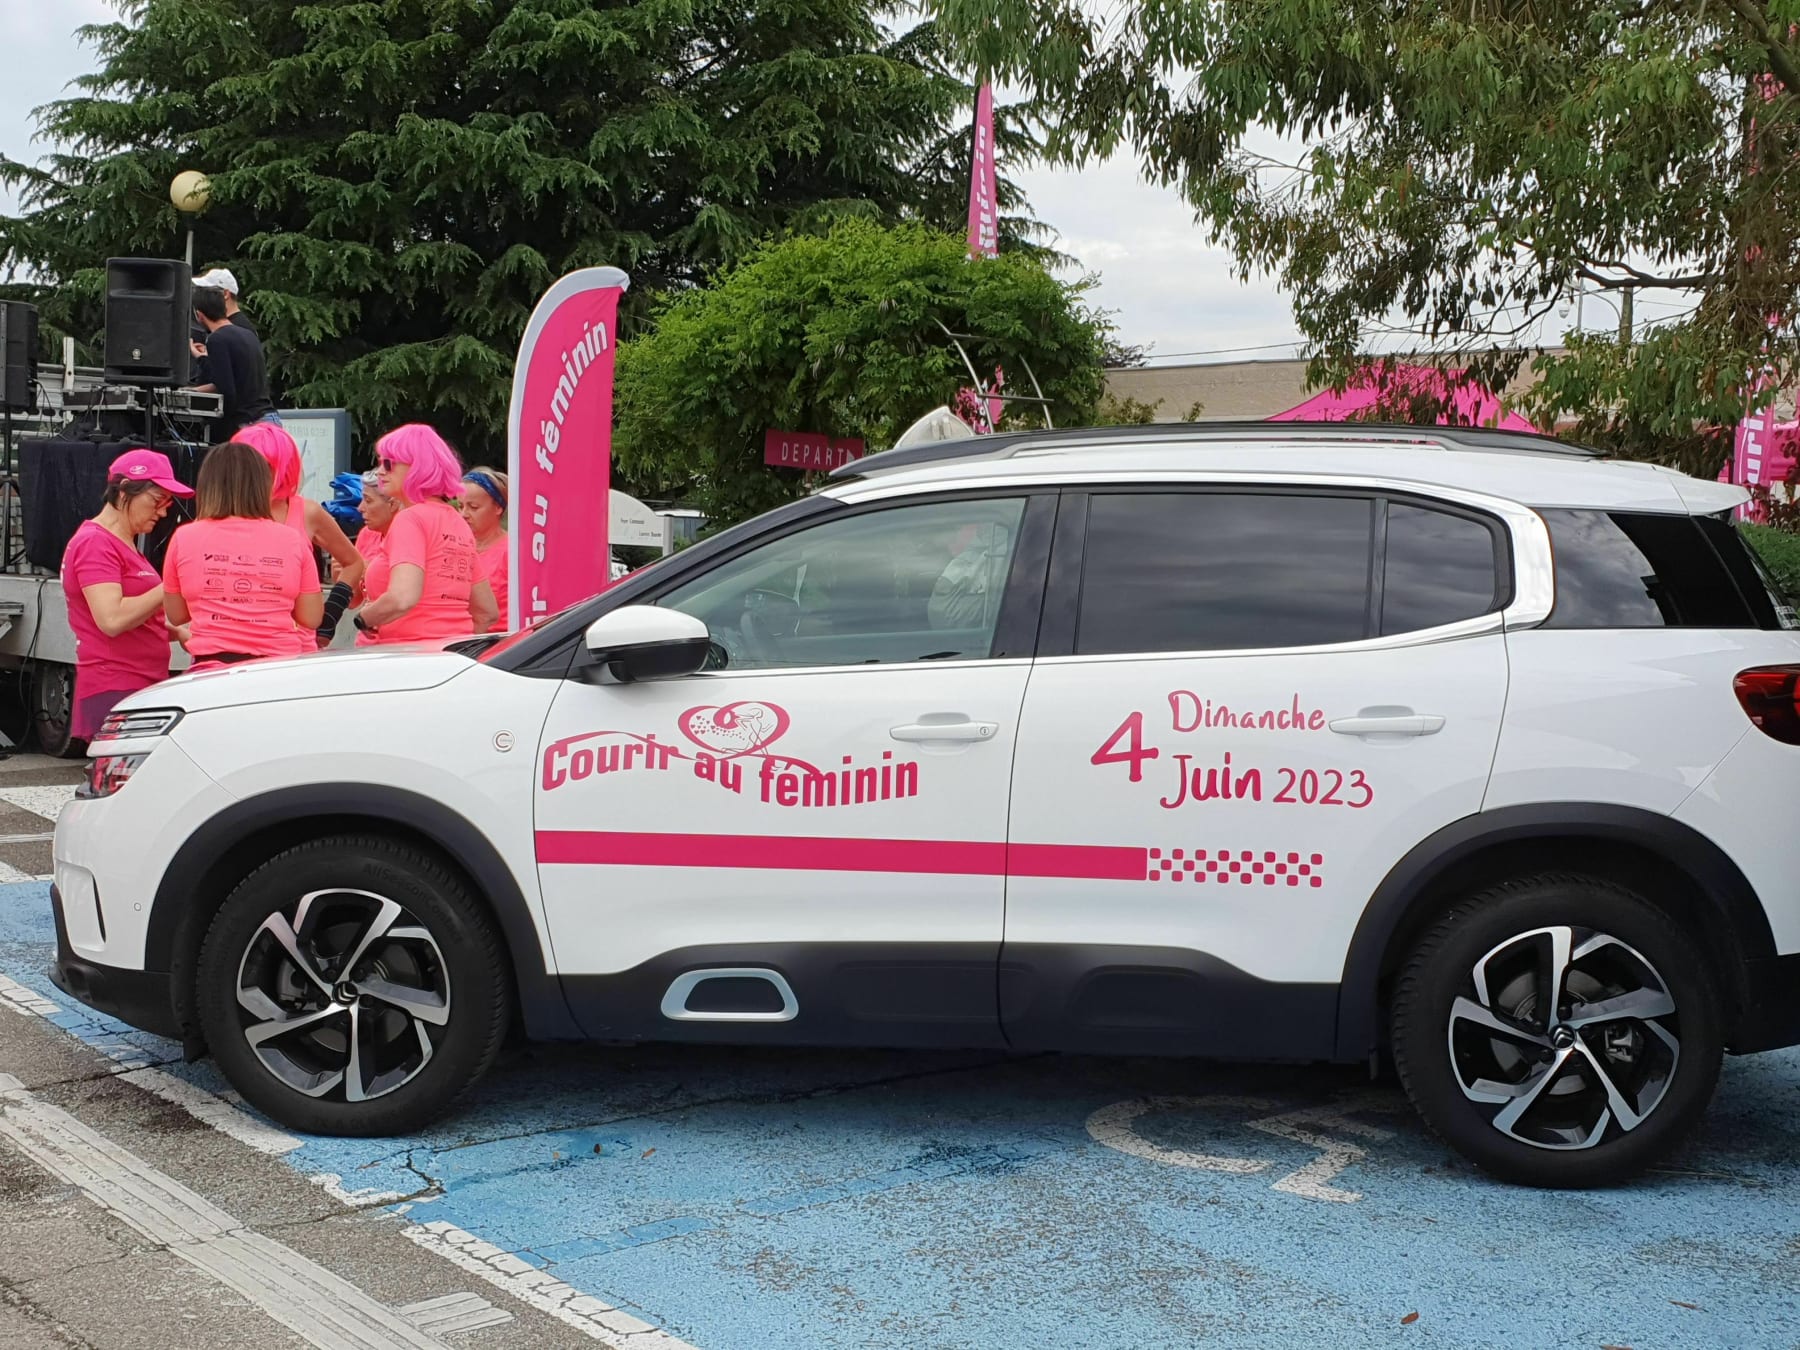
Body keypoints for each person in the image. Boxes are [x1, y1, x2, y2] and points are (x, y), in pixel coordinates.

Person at [60, 452, 194, 741]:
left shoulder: (120, 542)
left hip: (135, 682)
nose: (162, 512)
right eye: (157, 500)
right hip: (116, 685)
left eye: (168, 503)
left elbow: (126, 614)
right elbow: (111, 618)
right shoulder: (96, 543)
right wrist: (169, 584)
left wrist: (173, 631)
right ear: (123, 492)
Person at [162, 442, 322, 663]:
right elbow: (312, 618)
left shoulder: (183, 537)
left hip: (211, 667)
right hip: (278, 666)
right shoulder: (291, 539)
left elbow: (177, 615)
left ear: (208, 484)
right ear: (262, 486)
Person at [358, 425, 497, 641]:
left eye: (388, 463)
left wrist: (363, 619)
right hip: (451, 656)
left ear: (417, 467)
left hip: (408, 656)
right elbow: (487, 612)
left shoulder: (410, 519)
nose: (381, 471)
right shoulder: (457, 522)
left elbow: (402, 598)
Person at [231, 422, 364, 649]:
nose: (252, 475)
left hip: (293, 648)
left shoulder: (306, 512)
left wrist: (329, 618)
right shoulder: (221, 512)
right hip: (231, 644)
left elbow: (353, 562)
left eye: (263, 467)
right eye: (244, 466)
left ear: (282, 467)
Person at [189, 286, 273, 439]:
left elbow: (225, 389)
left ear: (199, 315)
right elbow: (231, 379)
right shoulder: (247, 334)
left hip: (248, 424)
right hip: (268, 420)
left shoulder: (217, 339)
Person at [347, 471, 398, 647]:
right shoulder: (367, 535)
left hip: (399, 642)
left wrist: (366, 570)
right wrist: (346, 577)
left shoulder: (409, 537)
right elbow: (353, 601)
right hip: (366, 642)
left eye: (368, 501)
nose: (360, 507)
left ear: (392, 504)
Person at [458, 466, 509, 632]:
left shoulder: (511, 552)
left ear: (498, 508)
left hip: (498, 642)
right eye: (460, 506)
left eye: (473, 507)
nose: (464, 514)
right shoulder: (456, 547)